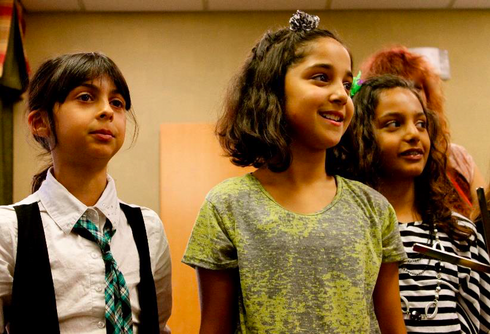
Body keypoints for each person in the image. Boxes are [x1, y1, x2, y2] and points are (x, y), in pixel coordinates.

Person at [182, 11, 407, 334]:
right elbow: (214, 328)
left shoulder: (374, 209)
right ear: (273, 90)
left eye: (347, 84)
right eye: (321, 77)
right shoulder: (227, 206)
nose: (341, 95)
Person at [0, 52, 172, 334]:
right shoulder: (4, 229)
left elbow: (158, 326)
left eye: (117, 102)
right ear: (40, 122)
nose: (107, 111)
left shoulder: (148, 228)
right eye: (85, 97)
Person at [333, 75, 490, 333]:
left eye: (421, 124)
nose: (413, 135)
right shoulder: (346, 230)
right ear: (360, 136)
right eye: (394, 124)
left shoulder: (460, 232)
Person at [360, 46, 487, 216]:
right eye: (398, 85)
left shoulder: (457, 158)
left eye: (416, 87)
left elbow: (483, 216)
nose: (408, 96)